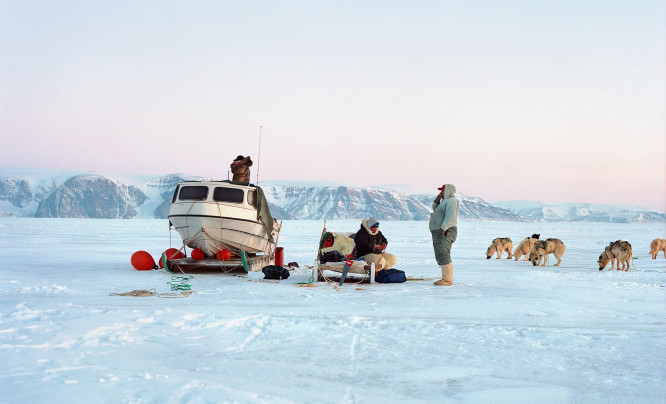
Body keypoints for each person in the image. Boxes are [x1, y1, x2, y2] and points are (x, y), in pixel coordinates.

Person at [429, 184, 460, 286]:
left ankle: (447, 280)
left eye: (442, 191)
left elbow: (450, 217)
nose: (440, 193)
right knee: (440, 253)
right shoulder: (445, 202)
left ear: (447, 191)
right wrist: (436, 202)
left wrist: (443, 229)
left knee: (443, 252)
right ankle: (445, 278)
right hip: (439, 231)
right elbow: (437, 211)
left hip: (446, 231)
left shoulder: (451, 201)